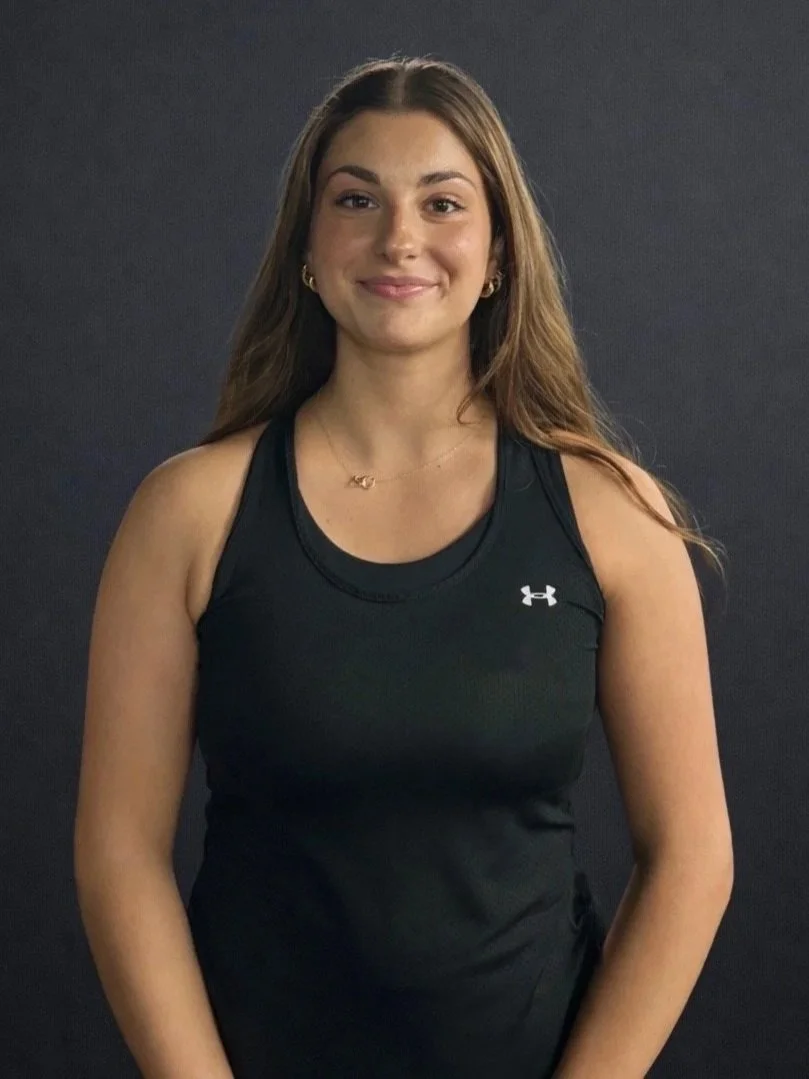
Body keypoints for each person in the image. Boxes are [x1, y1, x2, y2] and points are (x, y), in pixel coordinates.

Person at [74, 55, 732, 1079]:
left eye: (442, 201)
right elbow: (119, 854)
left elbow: (691, 856)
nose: (399, 239)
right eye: (355, 200)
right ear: (305, 249)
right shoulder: (189, 512)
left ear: (498, 250)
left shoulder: (610, 517)